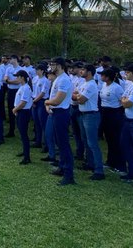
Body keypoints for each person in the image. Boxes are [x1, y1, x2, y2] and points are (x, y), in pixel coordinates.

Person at [45, 57, 75, 186]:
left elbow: (57, 100)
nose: (51, 67)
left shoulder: (64, 80)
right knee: (59, 142)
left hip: (61, 113)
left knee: (63, 144)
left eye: (53, 64)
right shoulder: (59, 78)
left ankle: (68, 174)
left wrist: (46, 102)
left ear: (60, 65)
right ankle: (62, 167)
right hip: (56, 112)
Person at [74, 64, 105, 180]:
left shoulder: (91, 84)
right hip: (83, 114)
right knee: (86, 141)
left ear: (90, 72)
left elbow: (81, 99)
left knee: (92, 143)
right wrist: (77, 96)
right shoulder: (84, 84)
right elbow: (74, 95)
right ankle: (90, 163)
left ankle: (99, 170)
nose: (81, 71)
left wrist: (77, 96)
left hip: (91, 115)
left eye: (83, 70)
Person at [99, 67, 125, 173]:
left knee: (115, 139)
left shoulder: (117, 88)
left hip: (114, 114)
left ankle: (119, 164)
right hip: (105, 112)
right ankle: (110, 161)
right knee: (109, 139)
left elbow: (122, 101)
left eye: (103, 75)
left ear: (108, 77)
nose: (101, 77)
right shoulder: (104, 85)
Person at [12, 70, 34, 165]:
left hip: (23, 112)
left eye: (18, 77)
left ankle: (27, 157)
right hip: (20, 111)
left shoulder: (26, 88)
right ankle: (25, 151)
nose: (16, 78)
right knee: (22, 133)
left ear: (22, 78)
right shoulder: (22, 87)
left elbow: (23, 102)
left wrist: (15, 109)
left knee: (24, 134)